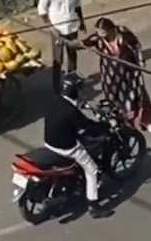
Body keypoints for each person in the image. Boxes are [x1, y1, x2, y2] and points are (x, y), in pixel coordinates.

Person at [44, 73, 112, 218]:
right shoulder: (71, 111)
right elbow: (88, 126)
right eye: (79, 88)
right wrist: (104, 125)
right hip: (68, 148)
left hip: (50, 143)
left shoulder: (54, 101)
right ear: (75, 91)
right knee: (92, 169)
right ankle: (94, 206)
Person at [82, 17, 151, 133]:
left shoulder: (123, 34)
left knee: (137, 97)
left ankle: (145, 122)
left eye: (103, 32)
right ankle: (122, 124)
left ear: (110, 28)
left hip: (130, 74)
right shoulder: (98, 38)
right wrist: (67, 42)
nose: (100, 35)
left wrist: (140, 62)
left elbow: (136, 48)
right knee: (115, 101)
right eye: (98, 32)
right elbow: (83, 44)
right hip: (111, 76)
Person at [37, 0, 86, 93]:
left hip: (72, 26)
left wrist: (82, 21)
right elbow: (41, 11)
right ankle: (56, 86)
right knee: (58, 59)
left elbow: (77, 4)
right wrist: (51, 28)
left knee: (72, 56)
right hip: (57, 29)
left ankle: (72, 82)